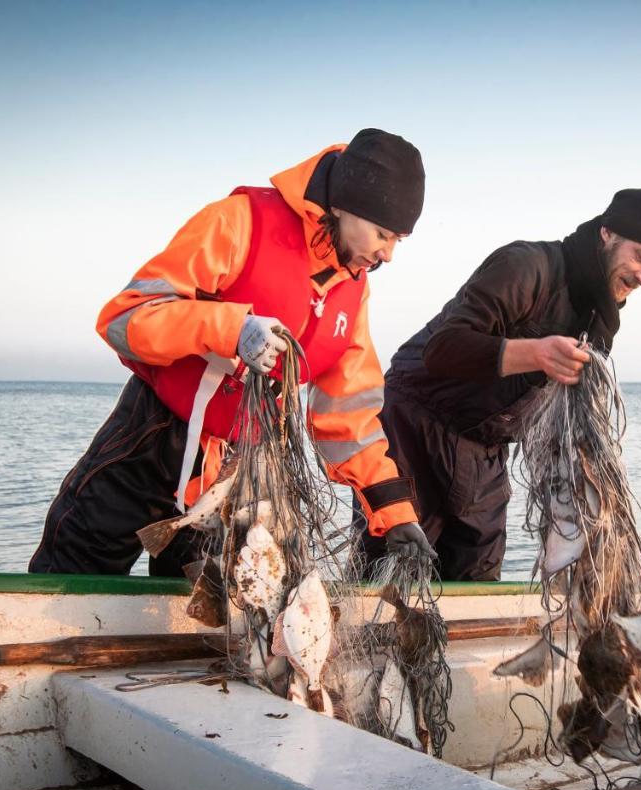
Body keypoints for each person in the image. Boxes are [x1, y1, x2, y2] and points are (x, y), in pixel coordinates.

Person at [30, 129, 434, 576]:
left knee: (200, 611)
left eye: (399, 240)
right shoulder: (239, 222)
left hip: (240, 472)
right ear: (341, 205)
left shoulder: (352, 294)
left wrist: (395, 514)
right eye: (383, 234)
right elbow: (124, 320)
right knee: (73, 572)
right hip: (153, 437)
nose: (390, 254)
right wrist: (231, 328)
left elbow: (349, 418)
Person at [362, 189, 641, 580]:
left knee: (477, 575)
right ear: (607, 234)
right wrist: (535, 353)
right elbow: (442, 349)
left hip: (485, 449)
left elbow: (573, 425)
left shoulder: (599, 321)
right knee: (395, 571)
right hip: (412, 424)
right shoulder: (527, 266)